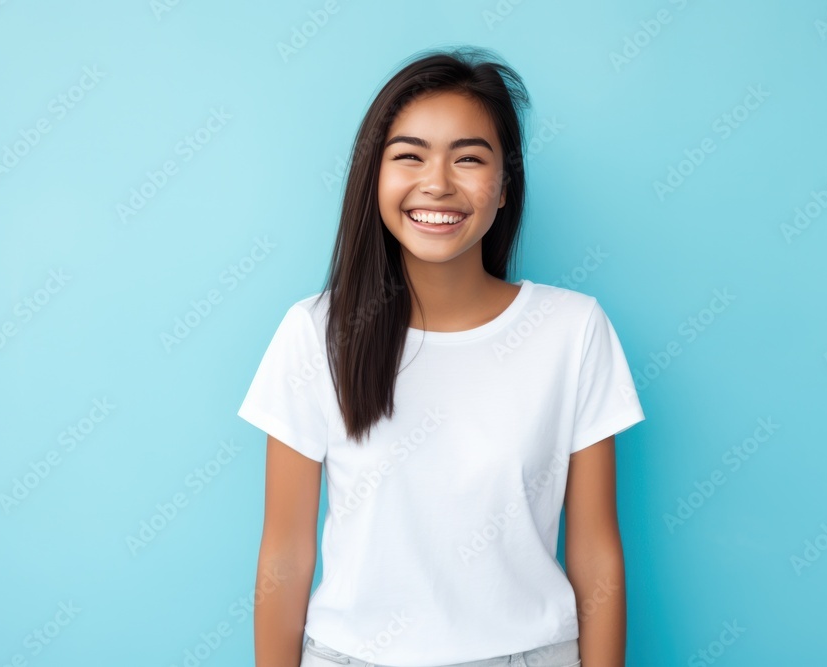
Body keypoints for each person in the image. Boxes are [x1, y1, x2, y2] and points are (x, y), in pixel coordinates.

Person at [237, 45, 645, 667]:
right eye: (409, 156)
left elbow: (595, 553)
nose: (437, 183)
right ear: (374, 178)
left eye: (469, 159)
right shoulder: (315, 332)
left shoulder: (573, 330)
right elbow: (285, 555)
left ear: (505, 187)